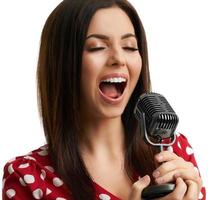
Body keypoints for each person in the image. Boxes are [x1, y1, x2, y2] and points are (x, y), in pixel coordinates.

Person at [2, 0, 206, 199]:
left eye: (130, 47)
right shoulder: (28, 177)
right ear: (62, 63)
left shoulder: (174, 149)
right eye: (97, 47)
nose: (119, 58)